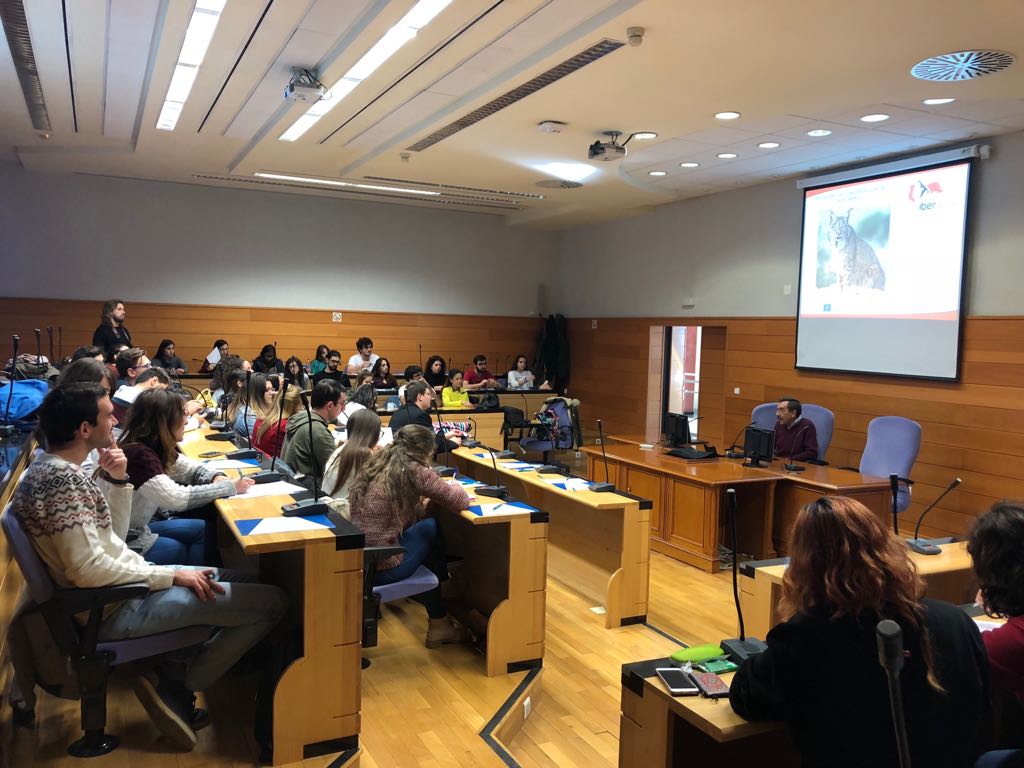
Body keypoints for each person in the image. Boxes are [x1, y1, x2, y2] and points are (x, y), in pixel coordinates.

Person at [10, 382, 287, 751]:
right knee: (274, 601)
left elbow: (113, 537)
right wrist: (170, 575)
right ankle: (180, 684)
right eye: (108, 415)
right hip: (115, 605)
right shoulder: (62, 484)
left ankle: (179, 667)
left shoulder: (52, 470)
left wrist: (117, 480)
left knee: (250, 579)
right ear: (84, 429)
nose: (116, 420)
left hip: (119, 588)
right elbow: (89, 570)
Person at [729, 496, 988, 768]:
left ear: (805, 565)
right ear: (888, 549)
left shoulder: (804, 636)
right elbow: (981, 705)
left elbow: (746, 698)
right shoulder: (956, 621)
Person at [348, 424, 473, 648]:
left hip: (360, 562)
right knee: (430, 527)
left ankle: (439, 618)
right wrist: (454, 485)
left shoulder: (381, 462)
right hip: (382, 566)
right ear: (424, 451)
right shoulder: (414, 469)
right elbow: (460, 501)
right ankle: (443, 595)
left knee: (425, 533)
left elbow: (403, 512)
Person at [118, 388, 253, 566]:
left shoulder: (150, 446)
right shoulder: (138, 454)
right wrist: (229, 487)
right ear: (164, 421)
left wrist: (215, 477)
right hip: (124, 539)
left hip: (137, 529)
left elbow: (189, 468)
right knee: (177, 549)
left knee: (204, 529)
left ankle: (205, 578)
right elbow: (176, 498)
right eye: (182, 414)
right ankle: (198, 579)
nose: (187, 419)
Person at [282, 379, 344, 479]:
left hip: (292, 480)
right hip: (306, 486)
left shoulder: (301, 418)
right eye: (342, 403)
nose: (344, 408)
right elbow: (335, 471)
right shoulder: (318, 431)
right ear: (330, 405)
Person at [322, 409, 382, 511]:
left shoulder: (341, 448)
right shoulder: (364, 454)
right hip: (343, 512)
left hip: (330, 506)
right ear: (373, 434)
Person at [390, 380, 461, 453]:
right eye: (428, 394)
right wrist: (453, 443)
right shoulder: (420, 415)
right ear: (420, 397)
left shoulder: (398, 412)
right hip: (411, 458)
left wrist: (445, 436)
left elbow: (420, 438)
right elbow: (432, 445)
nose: (431, 398)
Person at [253, 384, 302, 459]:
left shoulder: (260, 419)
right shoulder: (287, 427)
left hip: (260, 462)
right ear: (296, 404)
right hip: (277, 464)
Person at [773, 397, 818, 462]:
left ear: (793, 413)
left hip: (796, 464)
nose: (777, 414)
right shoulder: (779, 424)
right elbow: (772, 447)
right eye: (777, 410)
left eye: (782, 410)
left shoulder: (807, 426)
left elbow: (811, 453)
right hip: (778, 462)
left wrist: (789, 460)